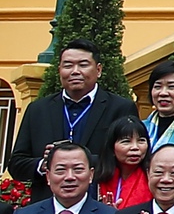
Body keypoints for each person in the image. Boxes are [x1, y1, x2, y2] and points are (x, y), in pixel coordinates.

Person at [8, 42, 139, 186]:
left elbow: (128, 158)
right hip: (48, 202)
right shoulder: (38, 109)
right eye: (68, 65)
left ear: (99, 70)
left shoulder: (121, 107)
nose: (75, 71)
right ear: (59, 70)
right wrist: (44, 164)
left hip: (99, 199)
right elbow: (16, 164)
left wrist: (78, 161)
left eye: (83, 65)